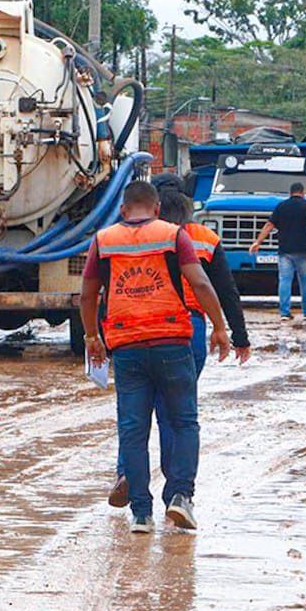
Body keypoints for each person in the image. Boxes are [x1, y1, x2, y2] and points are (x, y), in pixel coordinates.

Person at [80, 181, 232, 534]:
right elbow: (201, 283)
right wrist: (219, 327)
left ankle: (141, 514)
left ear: (122, 209)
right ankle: (180, 496)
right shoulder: (173, 235)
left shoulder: (103, 240)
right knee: (182, 422)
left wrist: (91, 337)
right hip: (172, 341)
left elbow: (87, 295)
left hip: (127, 345)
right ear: (157, 208)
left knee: (133, 429)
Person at [107, 177, 251, 510]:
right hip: (188, 330)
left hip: (134, 328)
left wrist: (99, 337)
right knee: (176, 414)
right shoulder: (204, 238)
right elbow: (224, 289)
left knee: (134, 415)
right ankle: (177, 493)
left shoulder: (123, 238)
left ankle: (127, 474)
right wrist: (236, 335)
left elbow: (106, 290)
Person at [249, 182, 306, 321]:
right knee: (305, 282)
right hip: (303, 251)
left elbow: (269, 225)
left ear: (291, 193)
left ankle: (284, 313)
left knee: (284, 281)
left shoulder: (281, 206)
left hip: (285, 251)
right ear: (303, 192)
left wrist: (258, 242)